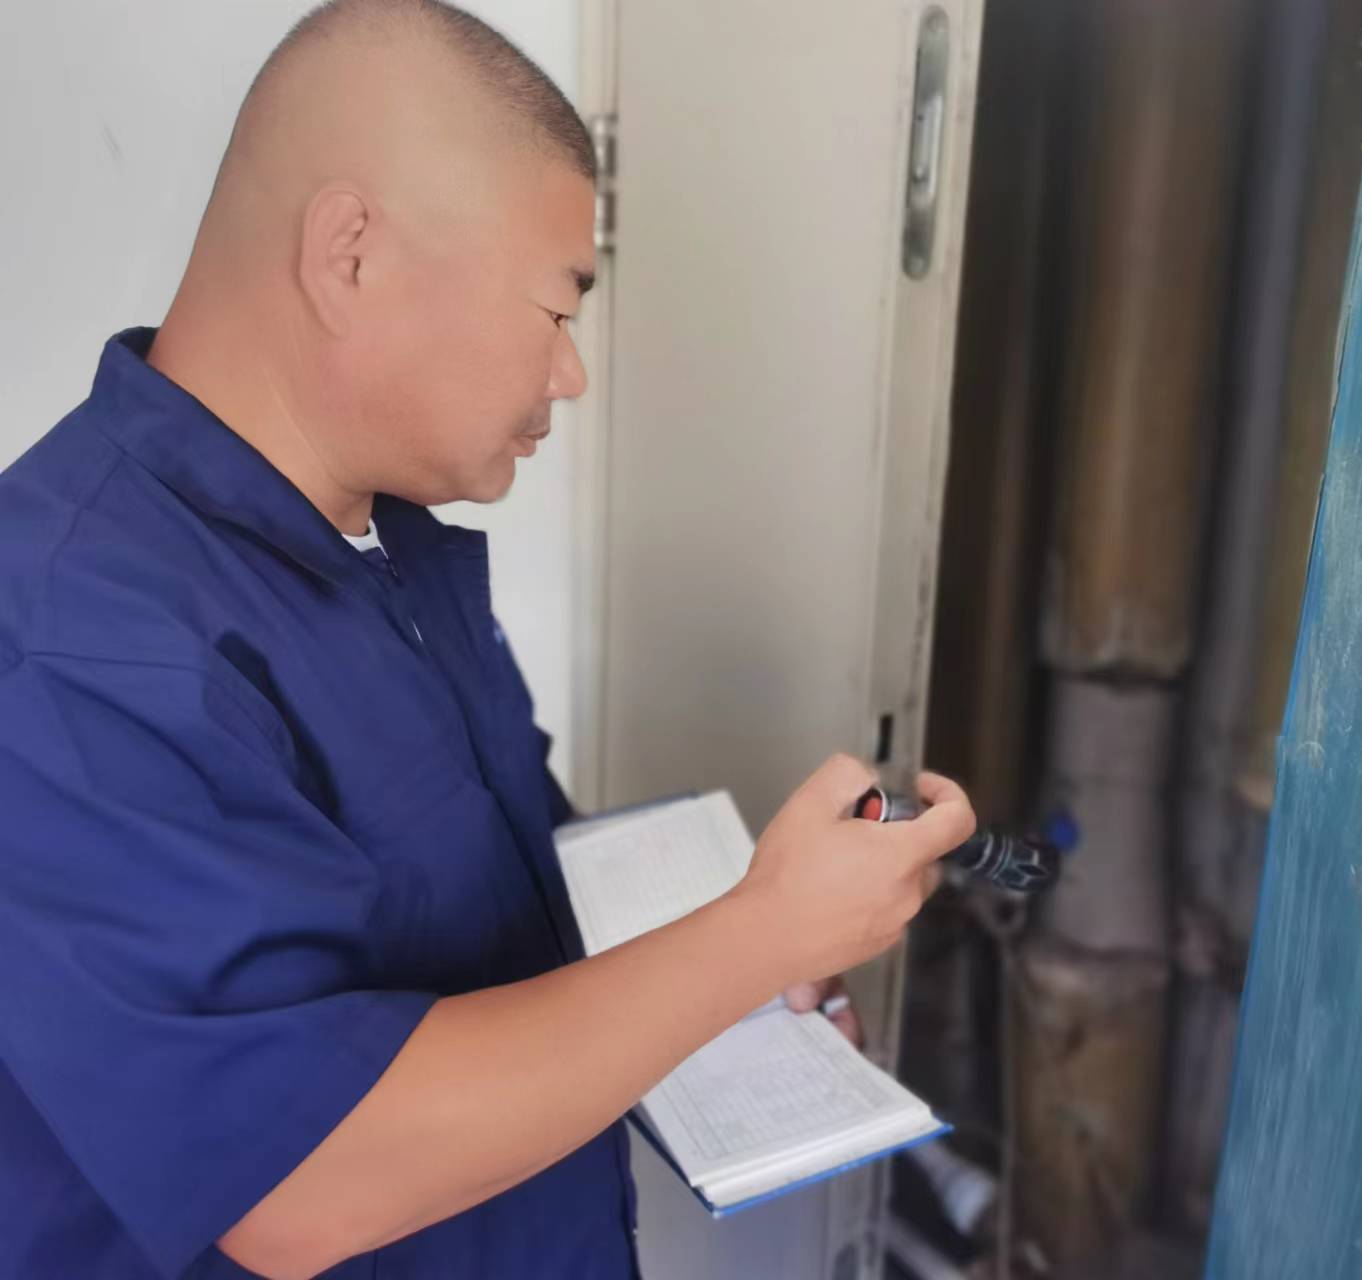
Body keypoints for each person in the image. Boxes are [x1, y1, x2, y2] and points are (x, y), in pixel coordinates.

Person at [0, 2, 975, 1276]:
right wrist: (761, 931)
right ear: (351, 255)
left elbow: (506, 895)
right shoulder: (70, 635)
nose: (570, 375)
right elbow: (296, 1176)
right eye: (559, 309)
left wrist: (733, 965)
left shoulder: (388, 543)